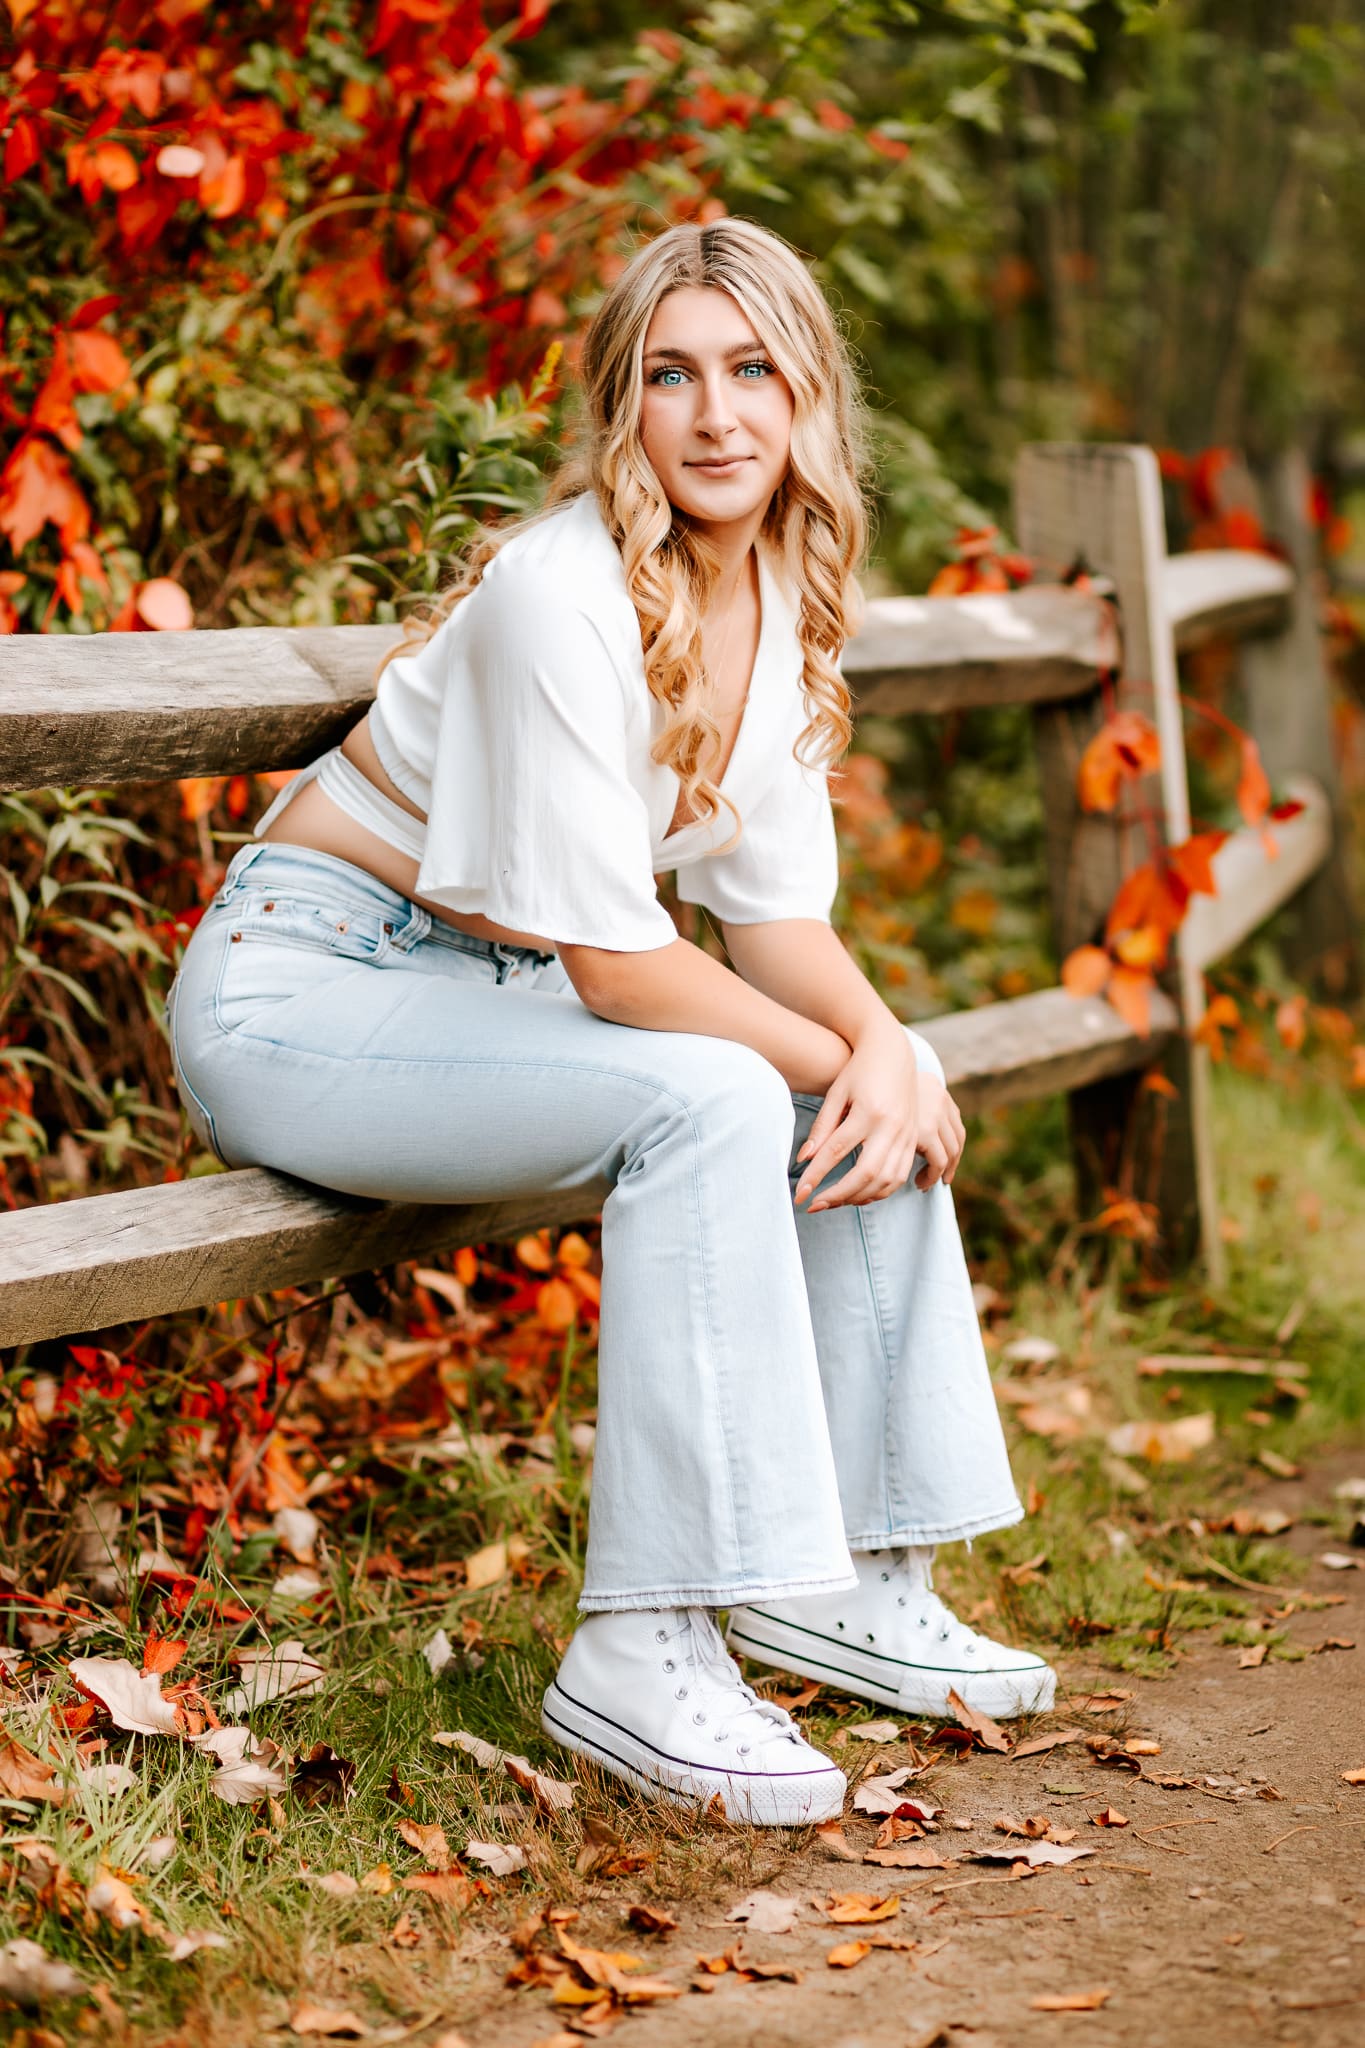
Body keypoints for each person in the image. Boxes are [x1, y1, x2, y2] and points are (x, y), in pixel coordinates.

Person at [167, 216, 1055, 1829]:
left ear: (804, 402)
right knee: (730, 1094)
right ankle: (642, 1643)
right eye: (670, 375)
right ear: (621, 406)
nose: (714, 414)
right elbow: (623, 973)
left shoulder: (771, 585)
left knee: (844, 1088)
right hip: (306, 996)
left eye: (750, 371)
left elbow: (774, 920)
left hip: (480, 1004)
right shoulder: (553, 594)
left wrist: (889, 1050)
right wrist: (857, 1059)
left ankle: (844, 1576)